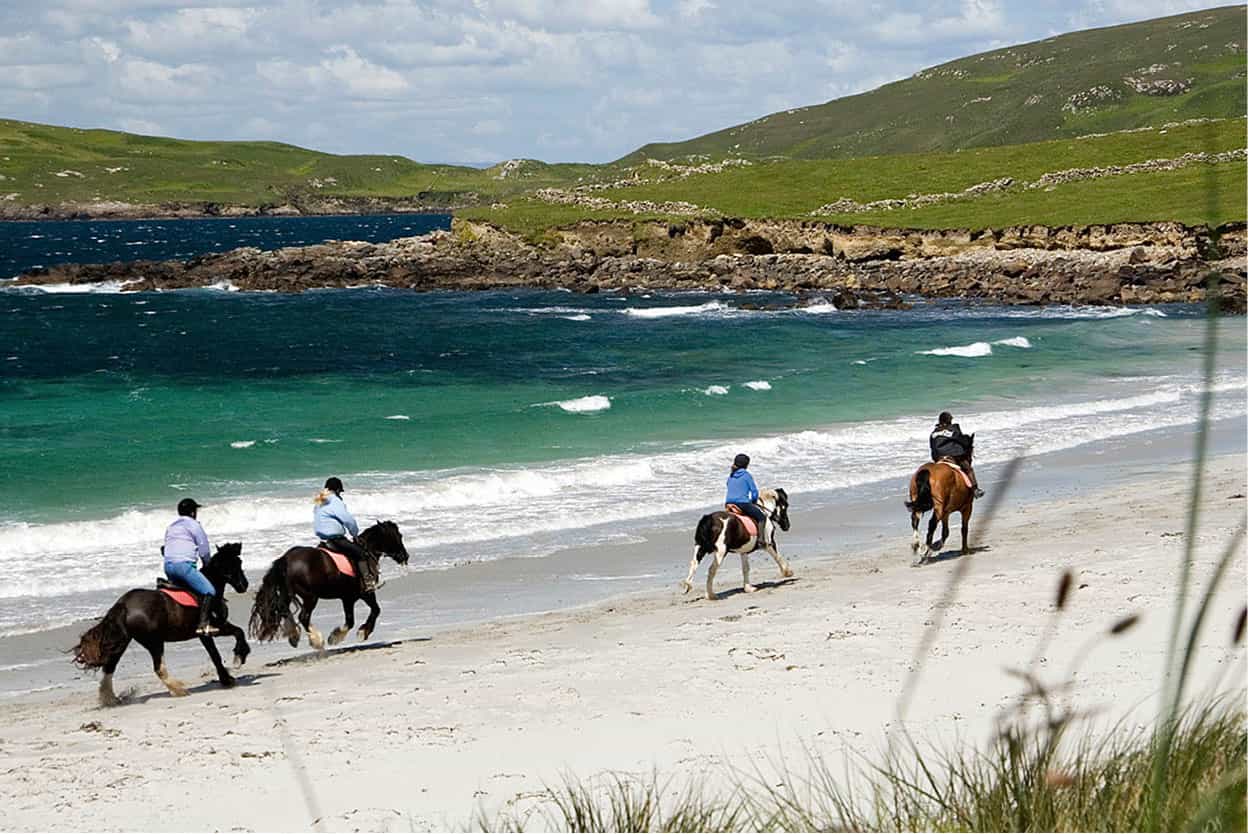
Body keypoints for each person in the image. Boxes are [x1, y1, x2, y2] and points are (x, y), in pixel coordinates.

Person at [163, 498, 219, 636]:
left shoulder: (171, 527)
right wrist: (207, 564)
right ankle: (203, 625)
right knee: (209, 591)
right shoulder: (194, 525)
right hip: (183, 567)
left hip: (168, 566)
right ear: (193, 513)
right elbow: (204, 549)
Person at [313, 477, 378, 593]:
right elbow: (348, 520)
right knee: (361, 554)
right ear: (337, 490)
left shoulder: (319, 499)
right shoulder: (335, 501)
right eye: (339, 491)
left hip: (323, 539)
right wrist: (355, 534)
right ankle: (368, 583)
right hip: (335, 539)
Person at [929, 412, 984, 498]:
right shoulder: (953, 429)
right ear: (949, 420)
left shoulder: (934, 432)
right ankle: (975, 490)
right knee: (968, 469)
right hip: (953, 455)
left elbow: (932, 446)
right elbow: (962, 440)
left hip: (938, 456)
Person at [725, 453, 768, 532]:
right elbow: (754, 492)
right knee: (762, 517)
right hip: (742, 504)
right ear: (746, 465)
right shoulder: (746, 475)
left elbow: (729, 486)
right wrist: (753, 501)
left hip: (728, 504)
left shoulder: (731, 475)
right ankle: (761, 540)